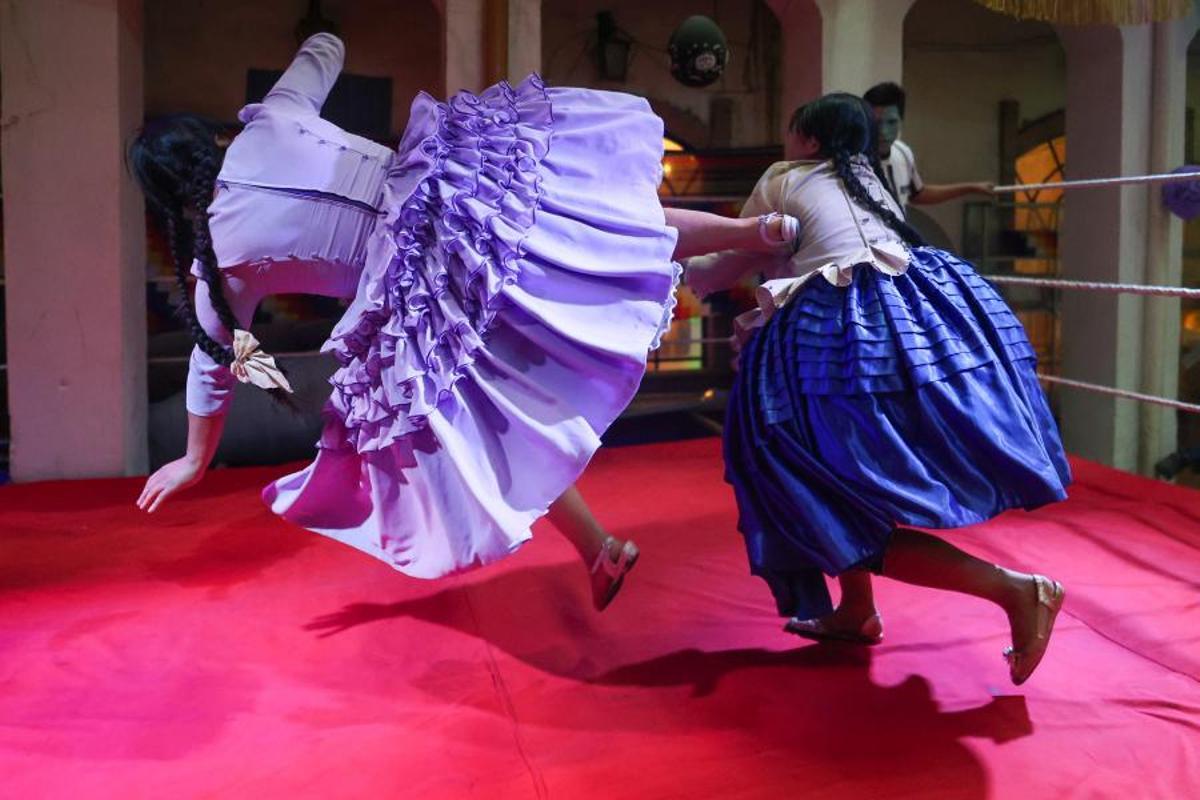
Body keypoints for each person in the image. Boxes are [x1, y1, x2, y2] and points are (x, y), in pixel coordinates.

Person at [130, 33, 798, 611]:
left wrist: (194, 459)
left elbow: (212, 365)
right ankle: (751, 231)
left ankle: (596, 546)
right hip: (448, 199)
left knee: (483, 430)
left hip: (422, 291)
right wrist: (311, 49)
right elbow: (324, 50)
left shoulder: (221, 260)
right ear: (210, 141)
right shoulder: (274, 119)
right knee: (590, 226)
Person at [685, 94, 1070, 684]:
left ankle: (1015, 590)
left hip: (835, 342)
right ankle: (857, 608)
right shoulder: (871, 179)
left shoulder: (784, 176)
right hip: (911, 334)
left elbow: (726, 264)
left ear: (810, 140)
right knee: (827, 476)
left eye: (793, 131)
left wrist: (660, 263)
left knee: (796, 479)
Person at [863, 81, 994, 213]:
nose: (883, 131)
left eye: (892, 122)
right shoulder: (855, 159)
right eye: (876, 122)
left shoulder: (902, 152)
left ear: (901, 121)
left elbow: (918, 194)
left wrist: (971, 188)